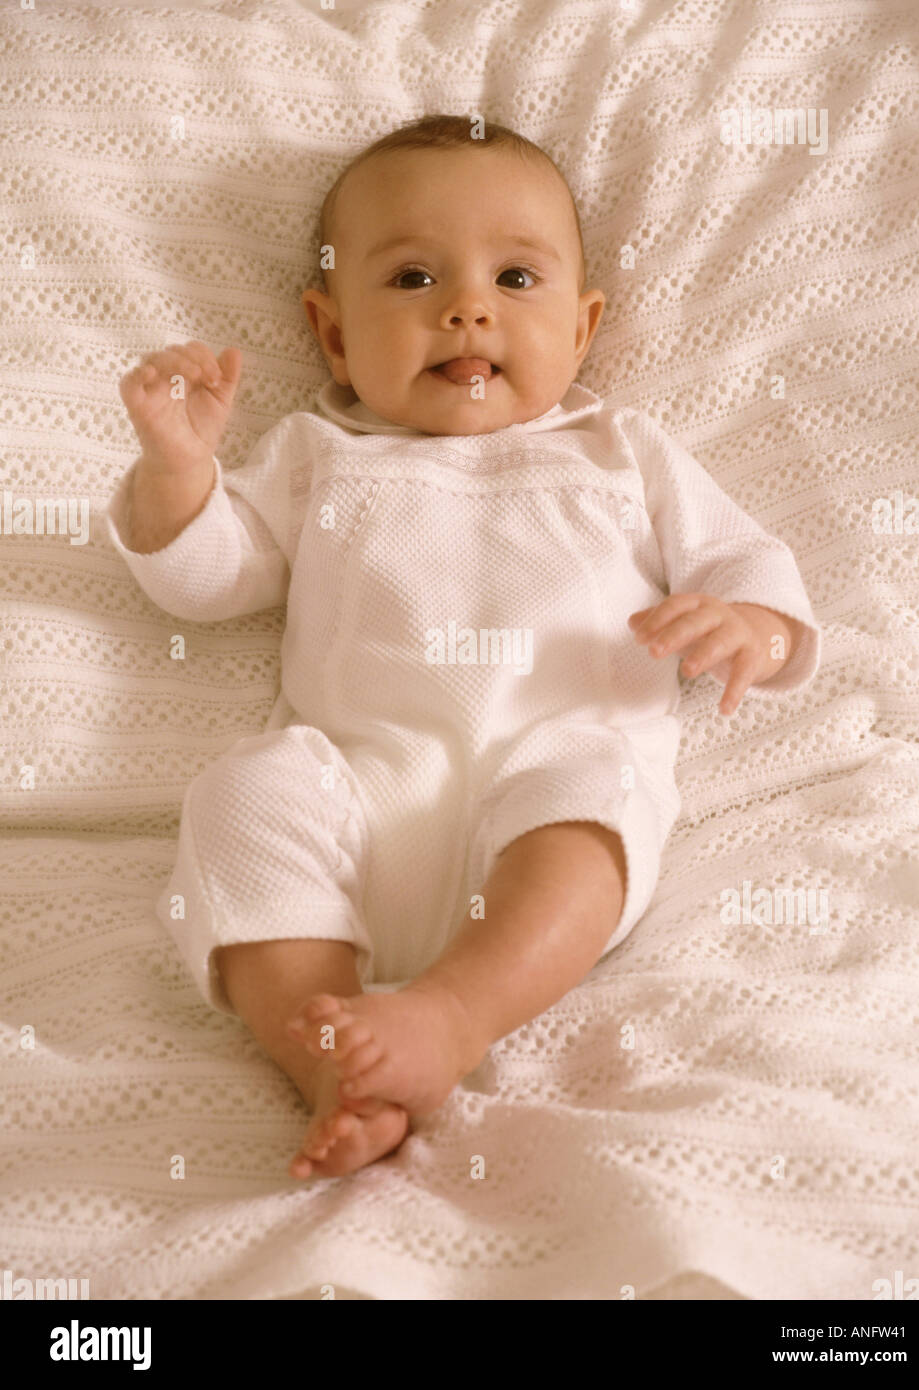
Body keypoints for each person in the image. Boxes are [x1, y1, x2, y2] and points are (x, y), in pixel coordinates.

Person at [106, 114, 821, 1179]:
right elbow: (212, 581)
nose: (466, 306)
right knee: (241, 794)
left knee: (593, 781)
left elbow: (745, 556)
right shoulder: (320, 453)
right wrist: (176, 474)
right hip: (358, 805)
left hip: (548, 811)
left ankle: (451, 1013)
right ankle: (333, 1062)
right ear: (335, 334)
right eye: (409, 280)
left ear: (583, 329)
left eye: (517, 278)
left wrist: (752, 623)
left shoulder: (619, 450)